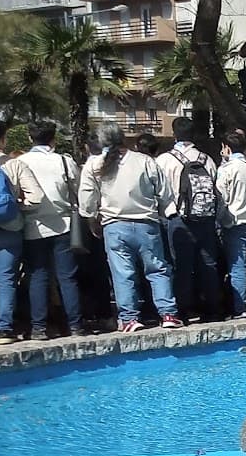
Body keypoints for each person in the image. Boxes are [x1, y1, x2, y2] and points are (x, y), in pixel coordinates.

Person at [77, 121, 182, 331]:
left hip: (114, 225)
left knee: (123, 273)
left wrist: (90, 218)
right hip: (147, 223)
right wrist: (165, 211)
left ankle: (129, 318)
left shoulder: (94, 164)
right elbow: (164, 192)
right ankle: (168, 314)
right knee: (157, 269)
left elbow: (87, 199)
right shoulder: (144, 160)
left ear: (101, 141)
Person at [6, 120, 85, 339]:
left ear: (31, 138)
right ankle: (76, 325)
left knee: (37, 276)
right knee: (67, 277)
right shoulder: (64, 161)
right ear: (54, 139)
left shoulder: (19, 162)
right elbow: (76, 189)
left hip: (33, 227)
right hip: (65, 225)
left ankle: (39, 327)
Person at [155, 117, 224, 322]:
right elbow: (217, 190)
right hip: (205, 217)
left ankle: (183, 311)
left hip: (177, 219)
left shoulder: (164, 160)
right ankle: (212, 309)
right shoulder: (207, 159)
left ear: (175, 134)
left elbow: (159, 192)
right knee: (208, 264)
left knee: (181, 266)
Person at [216, 129, 246, 318]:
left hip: (235, 221)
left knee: (237, 266)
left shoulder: (226, 169)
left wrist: (219, 220)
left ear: (226, 148)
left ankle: (240, 308)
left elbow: (222, 198)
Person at [0, 121, 18, 344]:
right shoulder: (13, 165)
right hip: (9, 227)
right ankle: (3, 330)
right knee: (5, 278)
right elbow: (34, 197)